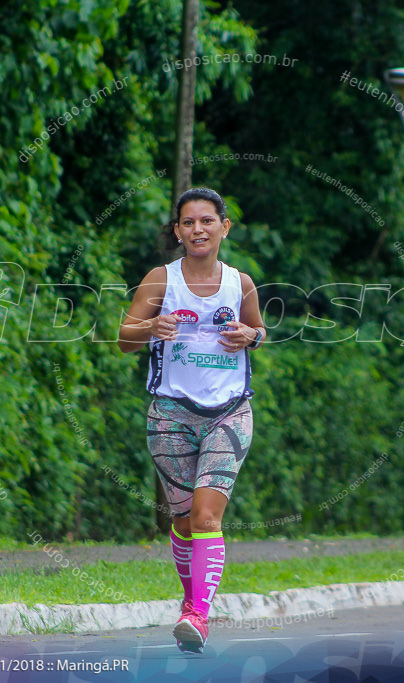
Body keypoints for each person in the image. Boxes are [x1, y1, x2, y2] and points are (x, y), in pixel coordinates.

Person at [118, 187, 266, 654]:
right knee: (182, 520)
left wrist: (250, 335)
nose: (197, 229)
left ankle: (197, 614)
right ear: (178, 231)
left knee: (205, 514)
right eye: (188, 222)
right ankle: (192, 601)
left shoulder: (240, 283)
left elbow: (259, 330)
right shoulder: (161, 280)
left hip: (229, 411)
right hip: (170, 414)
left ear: (224, 227)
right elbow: (123, 338)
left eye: (207, 221)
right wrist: (150, 328)